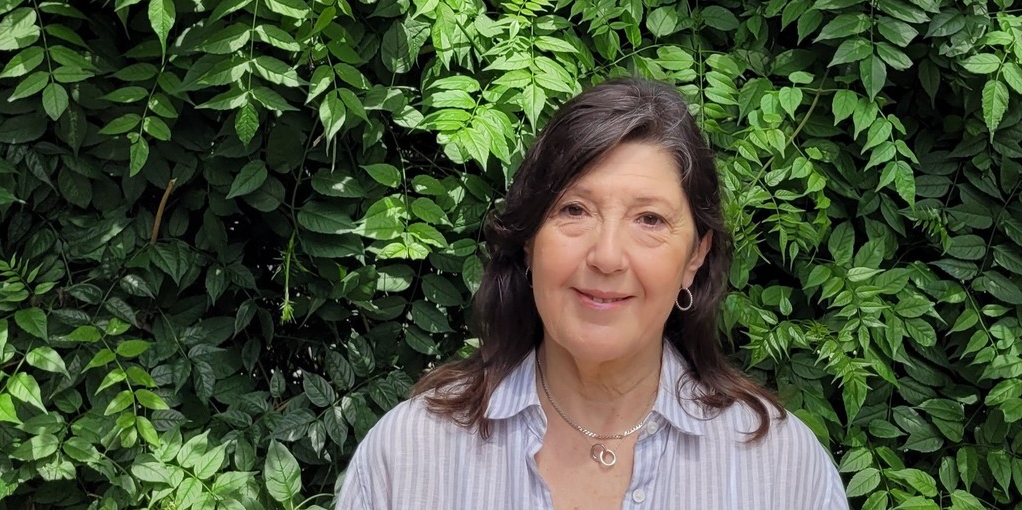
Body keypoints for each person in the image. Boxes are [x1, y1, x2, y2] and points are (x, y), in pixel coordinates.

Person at [336, 78, 849, 509]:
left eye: (649, 219)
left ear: (695, 256)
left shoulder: (783, 471)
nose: (606, 256)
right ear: (529, 241)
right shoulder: (410, 456)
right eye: (574, 210)